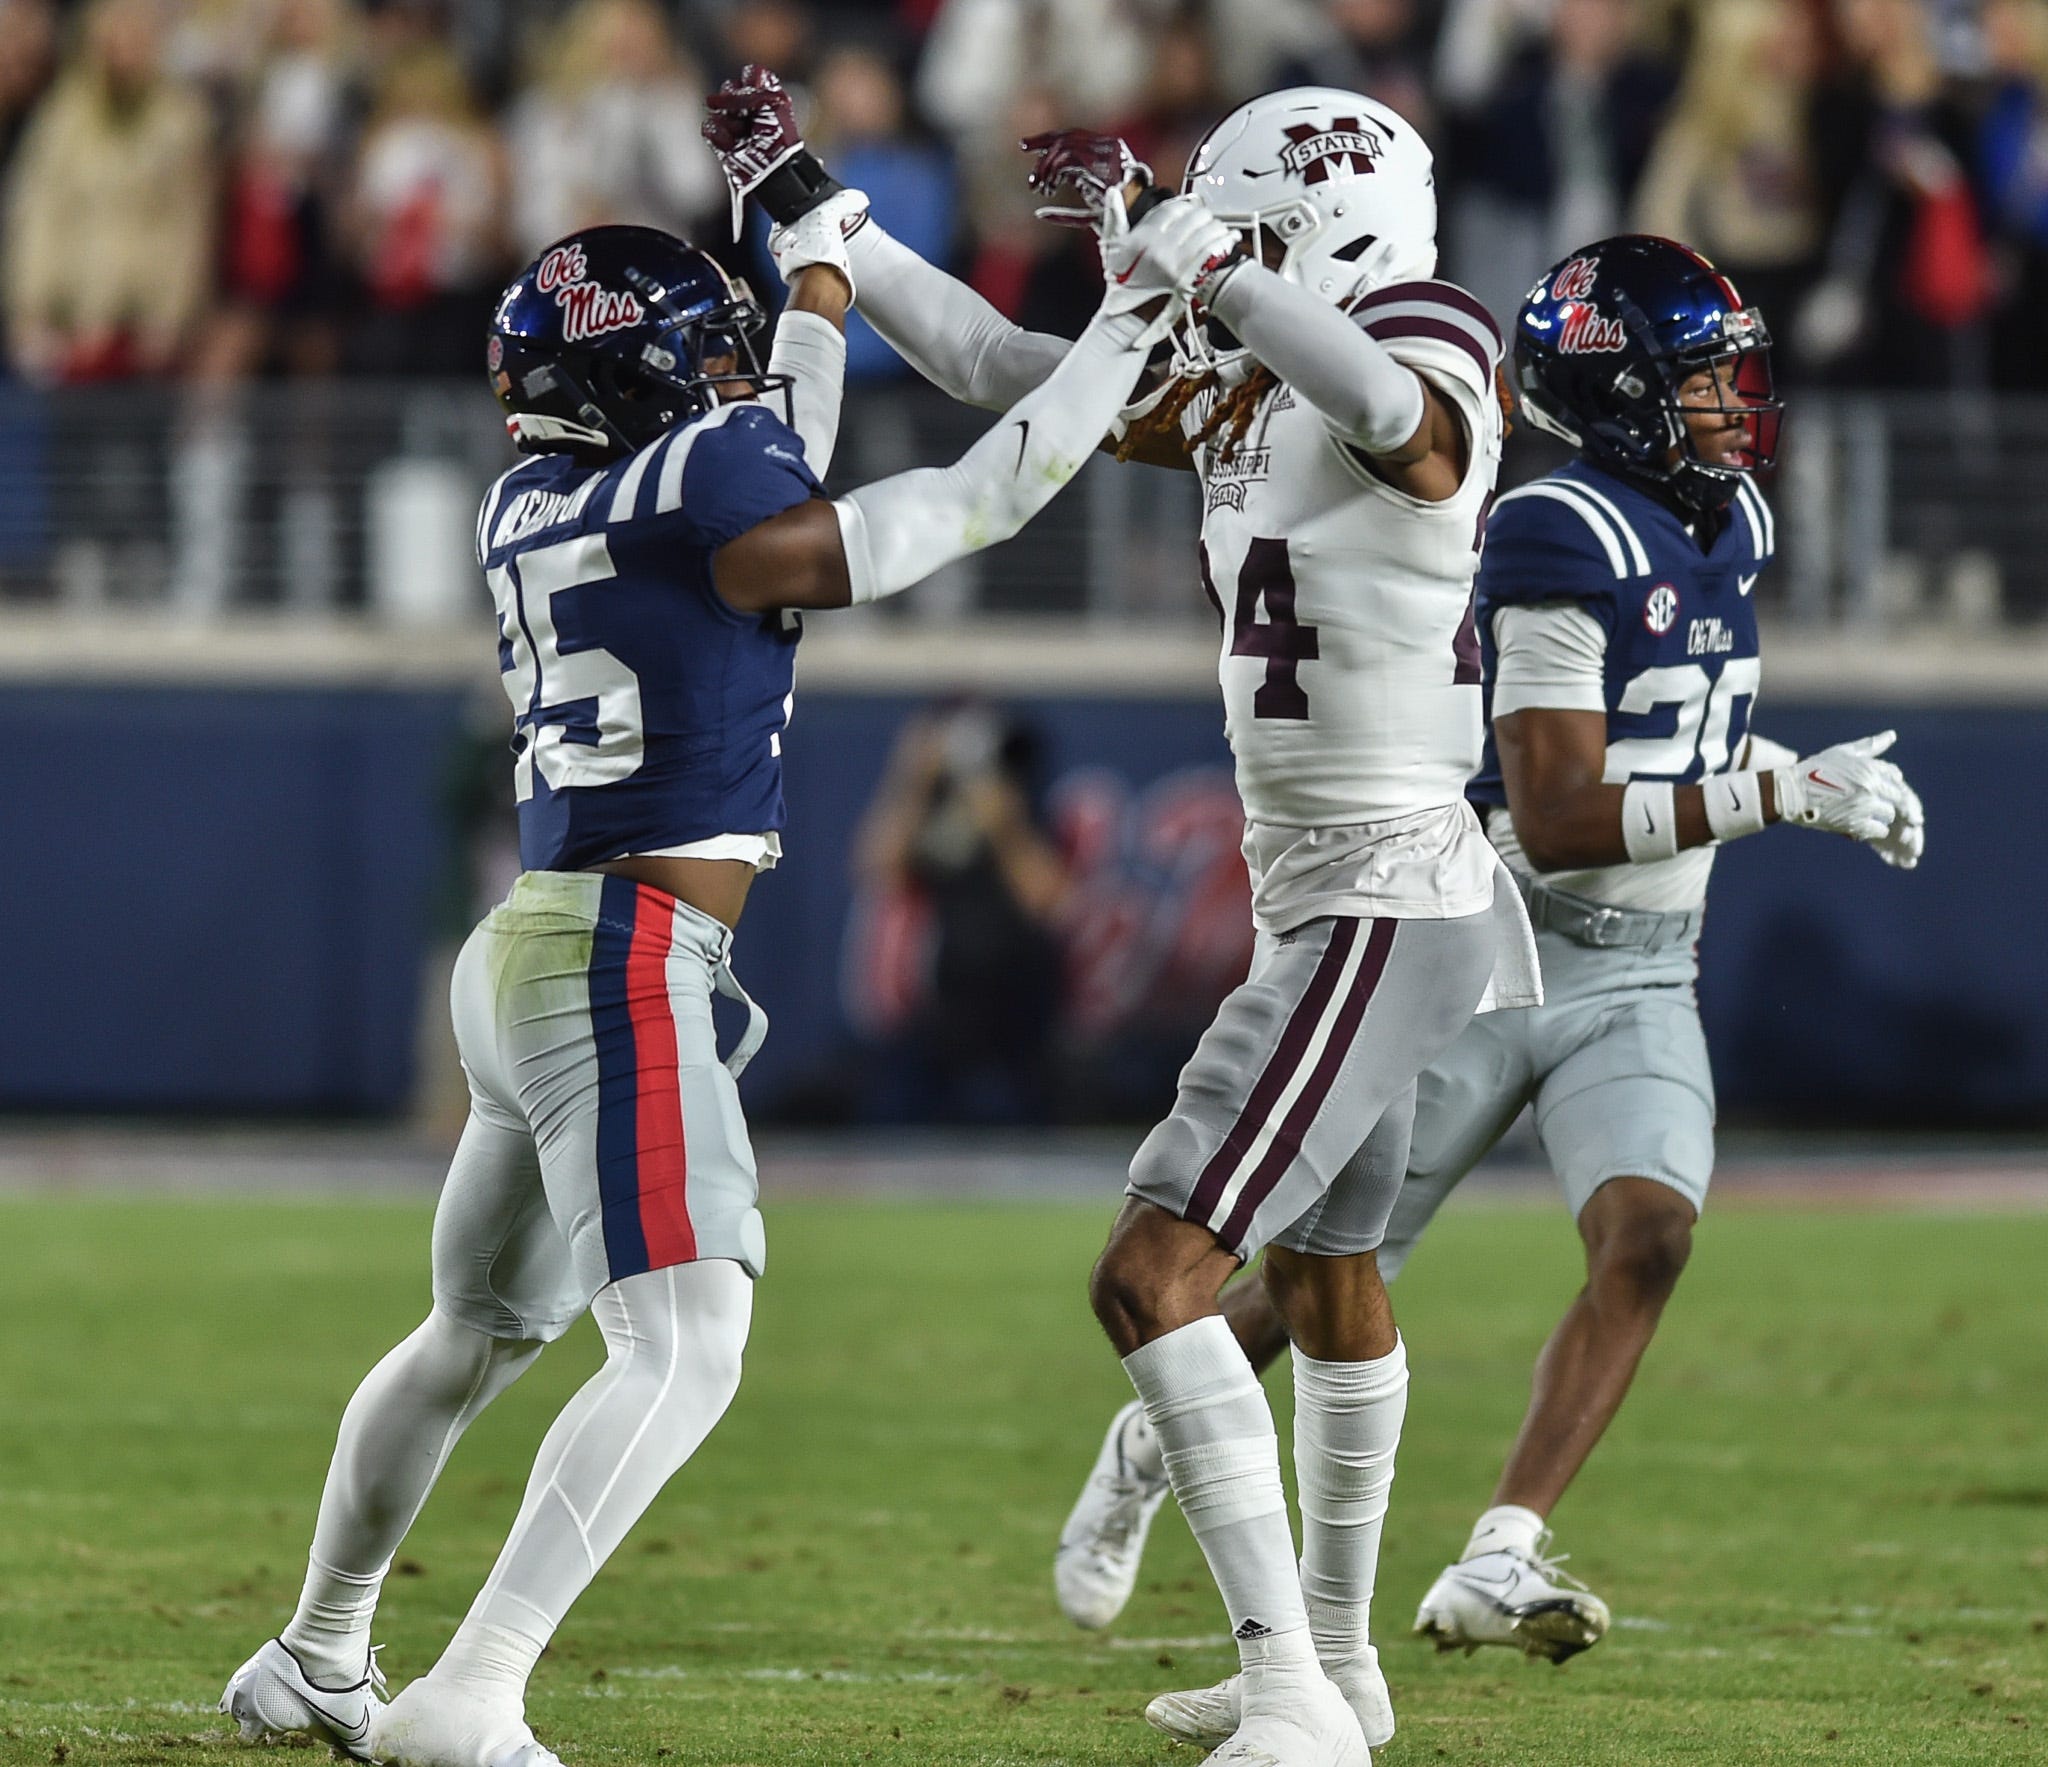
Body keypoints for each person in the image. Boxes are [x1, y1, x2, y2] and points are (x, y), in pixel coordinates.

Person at [217, 176, 1221, 1763]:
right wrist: (1124, 328)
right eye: (703, 355)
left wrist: (820, 293)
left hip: (540, 943)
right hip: (619, 952)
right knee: (686, 1344)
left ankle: (316, 1654)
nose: (733, 376)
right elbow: (969, 501)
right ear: (645, 385)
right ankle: (468, 1696)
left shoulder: (534, 502)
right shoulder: (705, 480)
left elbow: (770, 451)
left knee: (468, 1337)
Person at [704, 69, 1537, 1767]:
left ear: (1303, 227)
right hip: (1346, 898)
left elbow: (1406, 422)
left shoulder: (1431, 339)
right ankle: (1342, 1668)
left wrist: (1205, 260)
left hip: (1385, 893)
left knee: (1152, 1276)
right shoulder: (1250, 376)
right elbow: (1018, 377)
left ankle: (1297, 1699)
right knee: (1327, 1275)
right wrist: (823, 214)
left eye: (1242, 220)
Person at [1056, 239, 1927, 1723]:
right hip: (1502, 941)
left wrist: (1763, 782)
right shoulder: (1550, 530)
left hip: (1650, 966)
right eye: (1701, 373)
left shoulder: (1734, 518)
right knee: (1335, 1270)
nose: (1731, 399)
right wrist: (1777, 791)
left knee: (1649, 1234)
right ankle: (1152, 1449)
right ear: (1622, 390)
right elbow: (1567, 812)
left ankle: (1499, 1552)